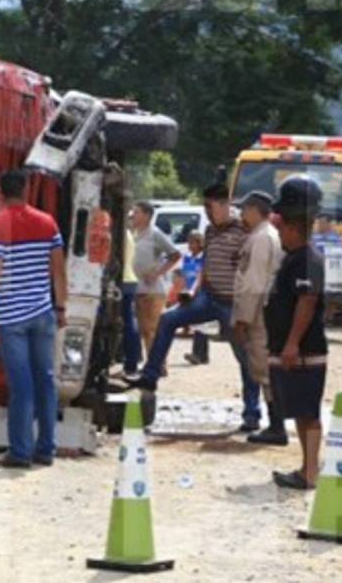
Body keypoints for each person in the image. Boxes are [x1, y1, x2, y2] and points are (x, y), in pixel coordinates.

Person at [131, 183, 261, 433]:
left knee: (245, 357)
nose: (208, 213)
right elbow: (206, 265)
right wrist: (193, 290)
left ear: (224, 205)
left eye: (210, 208)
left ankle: (252, 413)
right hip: (208, 297)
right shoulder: (210, 231)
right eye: (206, 208)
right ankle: (150, 376)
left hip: (233, 303)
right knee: (168, 320)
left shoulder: (243, 231)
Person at [0, 170, 66, 468]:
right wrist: (61, 307)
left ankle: (20, 453)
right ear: (26, 190)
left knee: (22, 385)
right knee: (46, 381)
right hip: (43, 311)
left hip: (12, 315)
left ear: (0, 193)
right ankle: (46, 449)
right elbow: (58, 270)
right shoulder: (47, 222)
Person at [267, 175, 329, 490]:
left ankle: (310, 470)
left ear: (292, 227)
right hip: (296, 349)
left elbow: (307, 301)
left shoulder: (306, 260)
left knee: (307, 412)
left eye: (281, 229)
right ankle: (308, 466)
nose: (279, 234)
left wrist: (292, 344)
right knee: (302, 413)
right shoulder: (297, 258)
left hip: (305, 351)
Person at [231, 190, 286, 445]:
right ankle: (275, 424)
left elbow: (254, 282)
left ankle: (277, 426)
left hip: (260, 313)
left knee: (264, 370)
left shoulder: (262, 237)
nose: (241, 214)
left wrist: (242, 319)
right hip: (264, 310)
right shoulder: (264, 235)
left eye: (244, 210)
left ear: (255, 210)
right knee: (265, 370)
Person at [129, 202, 181, 373]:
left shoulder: (155, 234)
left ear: (146, 215)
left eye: (137, 212)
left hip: (153, 290)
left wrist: (157, 273)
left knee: (152, 329)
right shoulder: (133, 233)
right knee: (143, 329)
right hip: (137, 287)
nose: (133, 215)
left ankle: (157, 365)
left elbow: (175, 255)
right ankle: (151, 363)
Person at [174, 231, 204, 342]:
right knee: (184, 303)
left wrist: (194, 289)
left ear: (199, 243)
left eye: (192, 243)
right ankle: (186, 327)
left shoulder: (203, 258)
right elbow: (182, 271)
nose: (190, 246)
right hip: (187, 286)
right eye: (189, 243)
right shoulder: (187, 257)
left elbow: (200, 274)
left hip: (199, 287)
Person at [120, 228, 141, 375]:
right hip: (130, 279)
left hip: (124, 280)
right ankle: (133, 360)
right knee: (130, 321)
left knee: (128, 322)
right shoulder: (128, 233)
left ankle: (131, 362)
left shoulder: (121, 233)